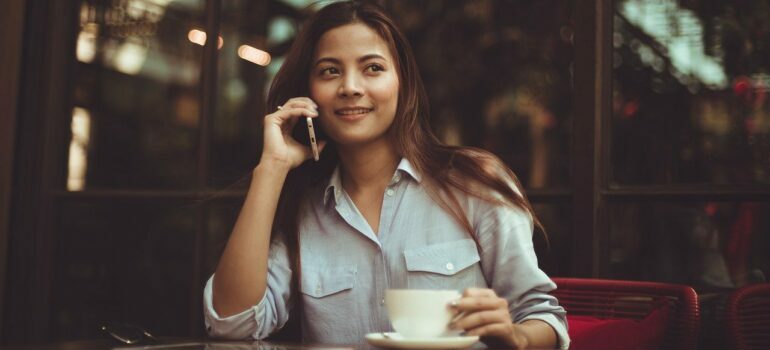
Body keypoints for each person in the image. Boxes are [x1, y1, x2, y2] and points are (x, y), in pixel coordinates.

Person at [203, 1, 569, 348]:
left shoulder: (473, 183)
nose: (350, 87)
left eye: (373, 68)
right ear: (309, 93)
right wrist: (271, 168)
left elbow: (543, 318)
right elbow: (230, 324)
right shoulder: (303, 211)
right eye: (330, 71)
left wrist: (517, 337)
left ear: (402, 83)